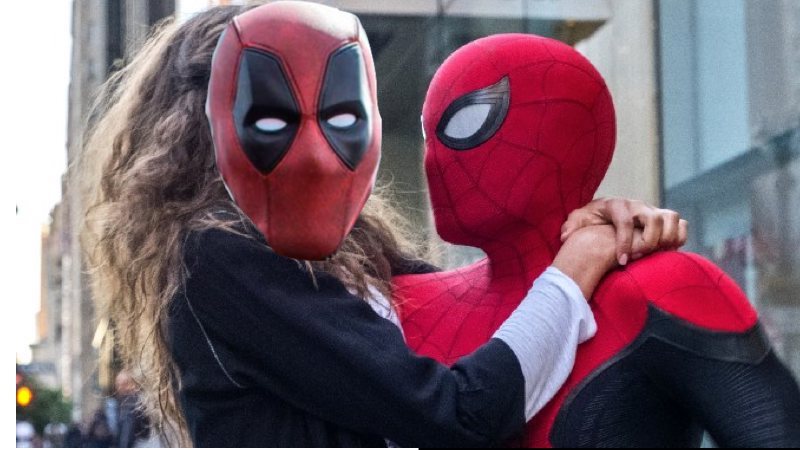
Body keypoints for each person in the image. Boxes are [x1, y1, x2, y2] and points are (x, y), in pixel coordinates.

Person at [82, 2, 687, 447]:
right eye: (277, 112)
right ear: (211, 118)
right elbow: (457, 413)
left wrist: (588, 228)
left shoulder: (334, 247)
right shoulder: (222, 254)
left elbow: (483, 310)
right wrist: (576, 265)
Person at [396, 33, 800, 447]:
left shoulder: (659, 288)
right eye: (427, 135)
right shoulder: (395, 303)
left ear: (562, 131)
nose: (435, 159)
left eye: (468, 122)